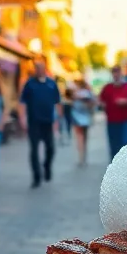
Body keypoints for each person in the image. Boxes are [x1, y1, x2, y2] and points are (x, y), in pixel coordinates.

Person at [19, 60, 62, 188]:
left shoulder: (51, 84)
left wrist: (58, 120)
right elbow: (22, 102)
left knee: (50, 149)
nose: (38, 70)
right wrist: (22, 118)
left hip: (48, 122)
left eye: (40, 68)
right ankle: (36, 177)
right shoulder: (30, 84)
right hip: (34, 122)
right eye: (36, 68)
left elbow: (57, 102)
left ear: (45, 69)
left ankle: (47, 166)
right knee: (34, 150)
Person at [99, 66, 127, 159]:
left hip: (125, 119)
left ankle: (125, 164)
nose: (116, 75)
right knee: (114, 145)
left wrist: (126, 102)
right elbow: (101, 101)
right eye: (114, 72)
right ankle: (115, 165)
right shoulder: (107, 88)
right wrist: (102, 105)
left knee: (125, 143)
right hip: (112, 120)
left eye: (117, 72)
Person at [70, 80, 95, 166]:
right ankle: (82, 156)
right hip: (81, 116)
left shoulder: (78, 93)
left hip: (82, 116)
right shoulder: (87, 93)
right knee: (82, 137)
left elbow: (92, 103)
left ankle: (82, 157)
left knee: (81, 137)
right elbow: (92, 104)